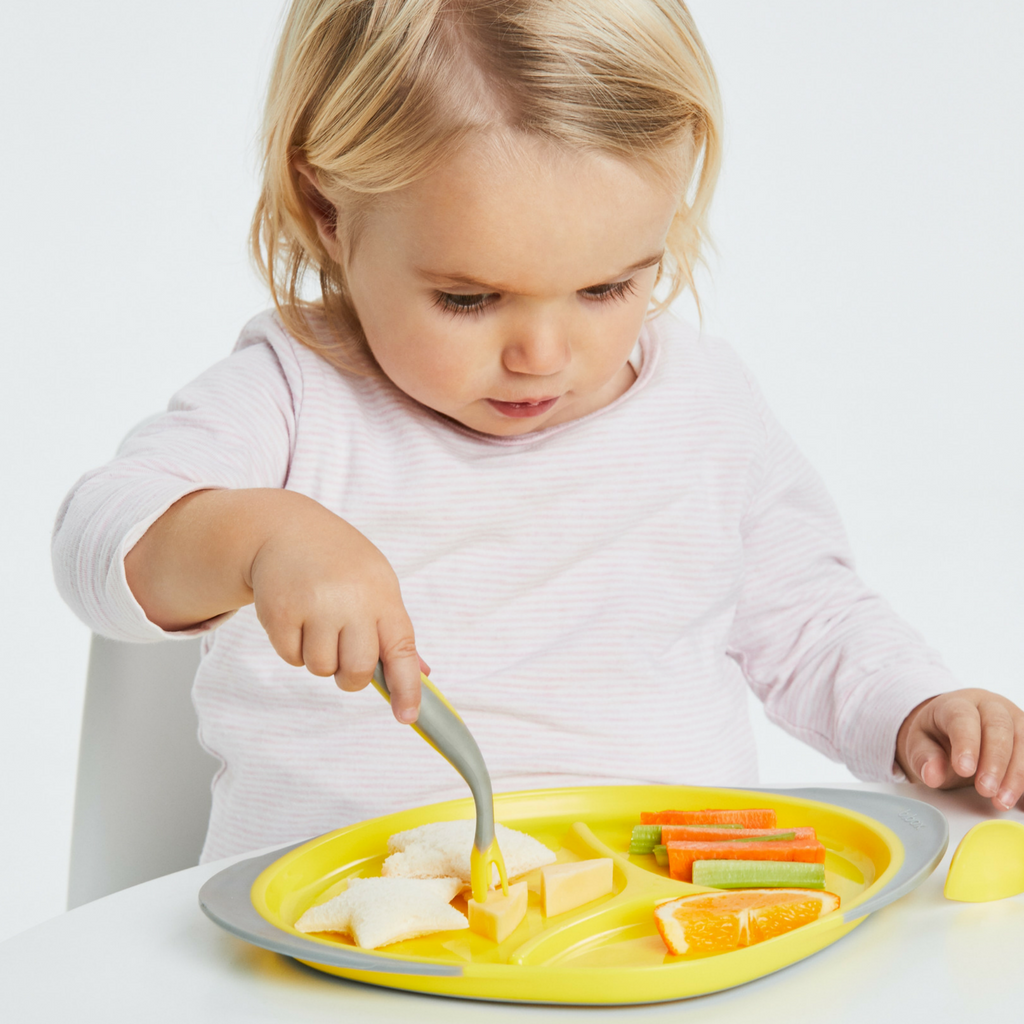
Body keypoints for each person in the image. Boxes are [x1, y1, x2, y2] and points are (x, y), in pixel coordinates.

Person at [53, 0, 1024, 862]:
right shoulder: (292, 395)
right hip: (340, 943)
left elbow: (810, 623)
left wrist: (915, 708)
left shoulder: (703, 407)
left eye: (608, 288)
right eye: (470, 298)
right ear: (326, 207)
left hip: (664, 935)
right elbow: (99, 538)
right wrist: (260, 538)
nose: (544, 356)